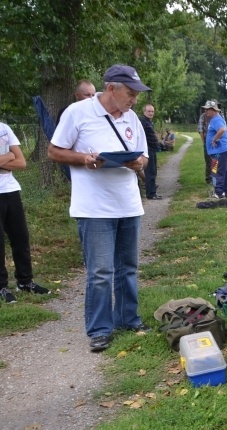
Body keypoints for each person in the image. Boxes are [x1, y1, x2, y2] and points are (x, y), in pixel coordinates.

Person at [47, 64, 152, 352]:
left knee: (127, 268)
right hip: (94, 208)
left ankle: (128, 319)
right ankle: (100, 330)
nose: (134, 100)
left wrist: (138, 162)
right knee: (101, 272)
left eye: (136, 95)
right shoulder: (77, 113)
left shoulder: (132, 119)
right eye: (130, 93)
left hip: (128, 204)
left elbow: (144, 157)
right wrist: (84, 159)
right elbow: (54, 151)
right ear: (111, 89)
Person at [0, 122, 51, 304]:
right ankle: (2, 286)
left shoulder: (4, 128)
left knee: (20, 238)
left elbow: (21, 162)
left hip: (11, 191)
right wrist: (8, 155)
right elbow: (14, 157)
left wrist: (7, 159)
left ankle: (25, 282)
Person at [203, 100, 227, 198]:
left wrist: (214, 139)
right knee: (224, 170)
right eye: (205, 110)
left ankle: (219, 193)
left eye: (207, 110)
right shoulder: (216, 119)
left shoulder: (216, 119)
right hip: (219, 151)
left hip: (219, 151)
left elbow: (222, 129)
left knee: (218, 171)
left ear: (214, 110)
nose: (206, 112)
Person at [139, 103, 161, 200]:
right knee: (150, 172)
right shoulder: (143, 122)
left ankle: (152, 192)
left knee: (153, 171)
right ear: (144, 112)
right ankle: (151, 194)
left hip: (152, 148)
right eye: (149, 111)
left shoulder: (149, 122)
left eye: (152, 111)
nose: (151, 113)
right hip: (147, 149)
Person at [197, 106, 211, 182]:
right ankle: (209, 177)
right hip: (207, 140)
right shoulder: (203, 116)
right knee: (208, 159)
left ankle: (214, 176)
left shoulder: (218, 116)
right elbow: (200, 129)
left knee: (215, 160)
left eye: (208, 109)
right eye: (205, 109)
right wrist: (204, 142)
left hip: (216, 142)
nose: (206, 110)